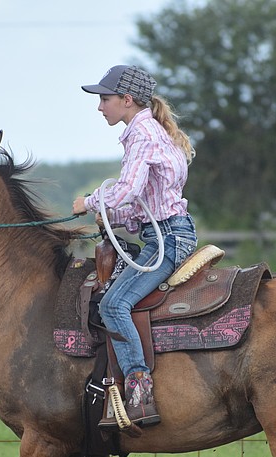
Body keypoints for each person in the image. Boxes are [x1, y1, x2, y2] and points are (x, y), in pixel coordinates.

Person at [72, 64, 197, 428]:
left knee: (113, 304)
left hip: (167, 238)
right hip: (166, 232)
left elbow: (127, 191)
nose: (100, 107)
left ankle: (139, 391)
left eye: (105, 99)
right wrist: (113, 218)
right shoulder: (151, 131)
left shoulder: (142, 135)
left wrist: (88, 202)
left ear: (127, 100)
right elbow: (143, 205)